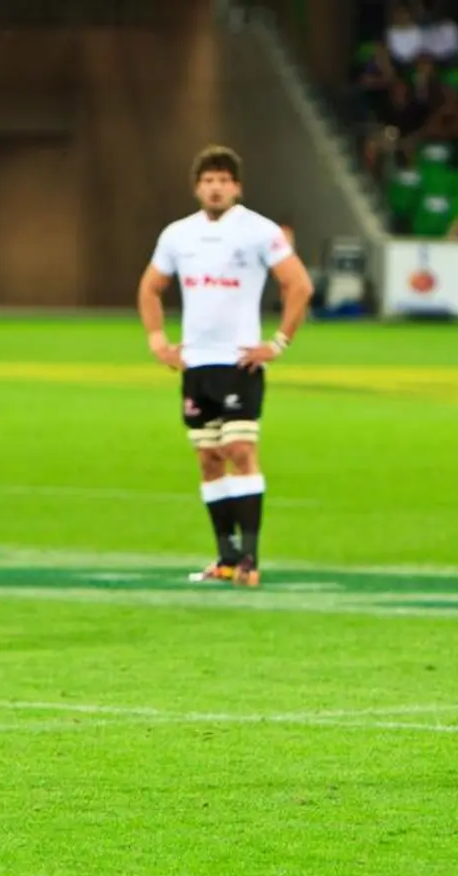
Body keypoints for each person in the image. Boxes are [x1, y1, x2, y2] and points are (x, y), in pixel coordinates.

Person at [137, 145, 314, 588]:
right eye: (208, 180)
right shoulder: (177, 235)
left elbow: (299, 285)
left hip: (240, 363)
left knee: (240, 451)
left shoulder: (258, 231)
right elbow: (151, 287)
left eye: (224, 180)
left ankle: (251, 559)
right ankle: (227, 558)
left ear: (237, 187)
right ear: (197, 187)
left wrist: (278, 341)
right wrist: (158, 339)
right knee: (208, 459)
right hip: (196, 364)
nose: (216, 188)